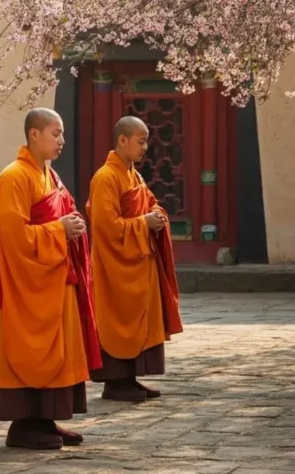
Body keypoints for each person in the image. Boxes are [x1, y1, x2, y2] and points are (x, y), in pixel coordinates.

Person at [0, 108, 102, 449]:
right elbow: (13, 237)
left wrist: (74, 225)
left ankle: (47, 421)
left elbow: (64, 212)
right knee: (30, 351)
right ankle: (23, 426)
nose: (62, 141)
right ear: (33, 134)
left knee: (61, 349)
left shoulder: (50, 176)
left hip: (56, 280)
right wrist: (59, 229)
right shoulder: (14, 177)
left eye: (63, 134)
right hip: (28, 286)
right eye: (56, 133)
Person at [87, 115, 184, 402]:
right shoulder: (106, 177)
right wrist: (144, 223)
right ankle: (115, 382)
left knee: (139, 318)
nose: (145, 148)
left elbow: (151, 204)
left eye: (146, 142)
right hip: (114, 266)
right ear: (122, 140)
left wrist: (157, 216)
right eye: (141, 142)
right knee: (116, 321)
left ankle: (130, 378)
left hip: (139, 261)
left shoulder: (135, 175)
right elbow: (107, 226)